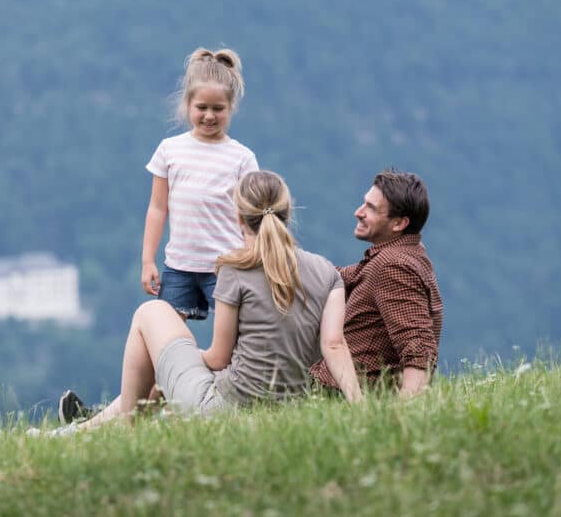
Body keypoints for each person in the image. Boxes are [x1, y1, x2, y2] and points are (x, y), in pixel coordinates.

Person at [40, 170, 362, 435]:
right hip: (288, 412)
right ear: (287, 213)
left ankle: (121, 432)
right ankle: (81, 431)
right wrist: (359, 407)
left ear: (238, 217)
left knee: (151, 312)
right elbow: (333, 345)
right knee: (169, 371)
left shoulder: (236, 268)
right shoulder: (327, 273)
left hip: (222, 411)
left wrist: (181, 360)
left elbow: (219, 358)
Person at [141, 47, 259, 321]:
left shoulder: (242, 158)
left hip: (226, 267)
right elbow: (157, 209)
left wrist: (253, 260)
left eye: (218, 109)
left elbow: (251, 219)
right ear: (187, 105)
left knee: (235, 337)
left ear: (231, 108)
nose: (209, 116)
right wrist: (148, 261)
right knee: (167, 334)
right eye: (201, 108)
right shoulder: (169, 150)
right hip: (178, 266)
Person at [309, 168, 443, 398]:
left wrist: (401, 419)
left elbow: (418, 348)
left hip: (346, 396)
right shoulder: (404, 253)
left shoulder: (394, 266)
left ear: (399, 223)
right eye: (364, 203)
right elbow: (343, 276)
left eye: (371, 208)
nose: (358, 212)